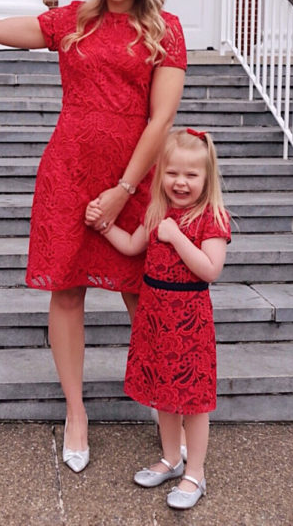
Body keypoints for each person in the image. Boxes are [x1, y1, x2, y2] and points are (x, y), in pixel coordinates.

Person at [0, 0, 187, 472]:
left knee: (146, 294)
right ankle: (76, 412)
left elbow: (162, 118)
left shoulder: (165, 30)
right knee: (67, 292)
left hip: (133, 180)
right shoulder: (70, 21)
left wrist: (122, 192)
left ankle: (168, 408)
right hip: (68, 174)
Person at [86, 127, 230, 510]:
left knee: (194, 402)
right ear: (161, 174)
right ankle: (171, 458)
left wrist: (177, 237)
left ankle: (194, 473)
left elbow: (211, 269)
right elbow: (132, 246)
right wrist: (103, 225)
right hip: (155, 319)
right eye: (172, 173)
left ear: (206, 178)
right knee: (164, 395)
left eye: (191, 175)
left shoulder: (211, 218)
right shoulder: (157, 213)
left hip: (190, 321)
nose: (180, 182)